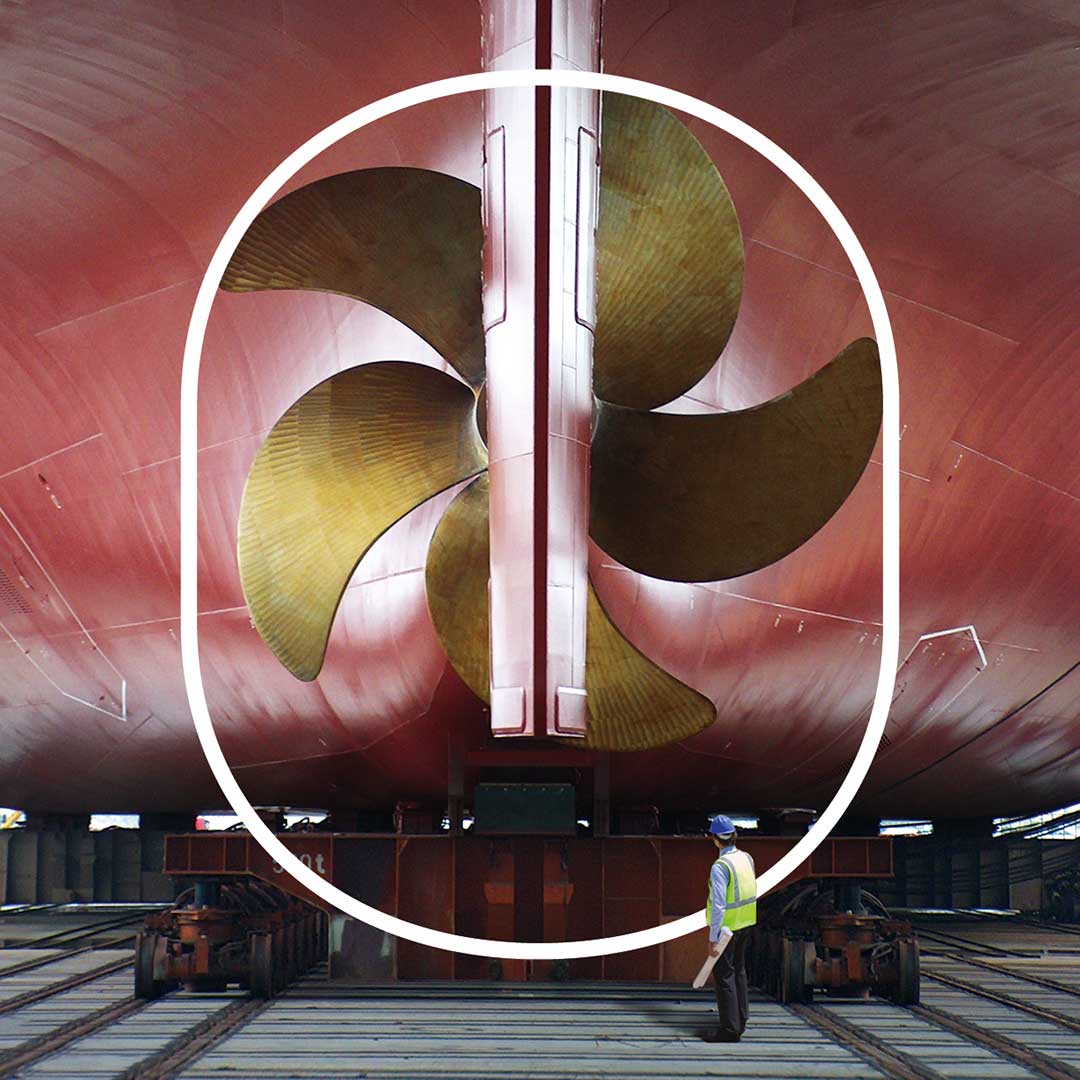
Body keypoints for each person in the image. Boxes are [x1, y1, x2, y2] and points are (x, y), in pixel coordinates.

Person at [702, 814, 757, 1043]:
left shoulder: (720, 866)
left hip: (727, 928)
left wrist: (713, 937)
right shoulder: (746, 858)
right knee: (739, 971)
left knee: (724, 975)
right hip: (747, 923)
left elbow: (718, 905)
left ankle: (729, 1030)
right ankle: (741, 1020)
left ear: (715, 839)